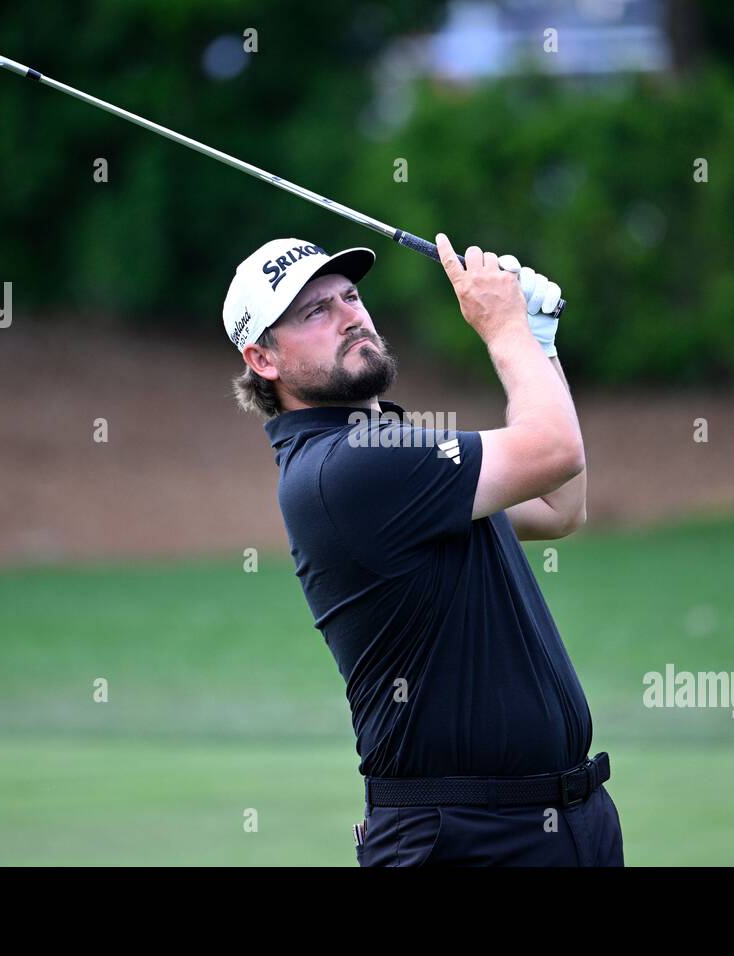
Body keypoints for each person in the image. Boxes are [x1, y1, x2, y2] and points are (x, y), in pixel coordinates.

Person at [222, 235, 623, 866]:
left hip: (557, 824)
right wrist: (505, 328)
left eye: (349, 296)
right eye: (314, 312)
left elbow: (558, 507)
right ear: (263, 359)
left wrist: (539, 345)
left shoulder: (388, 444)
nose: (350, 314)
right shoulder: (351, 465)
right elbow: (554, 450)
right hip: (467, 840)